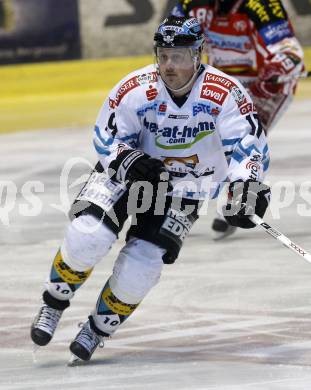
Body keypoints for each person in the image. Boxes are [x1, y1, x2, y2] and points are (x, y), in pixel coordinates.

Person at [30, 15, 271, 362]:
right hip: (128, 176)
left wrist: (245, 188)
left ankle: (97, 328)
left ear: (199, 54)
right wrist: (128, 160)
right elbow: (106, 137)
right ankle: (54, 301)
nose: (170, 66)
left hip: (186, 188)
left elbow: (247, 145)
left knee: (141, 267)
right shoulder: (136, 89)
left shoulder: (224, 93)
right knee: (87, 235)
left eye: (180, 56)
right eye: (164, 55)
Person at [171, 0, 304, 239]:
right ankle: (187, 197)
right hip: (223, 86)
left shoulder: (262, 4)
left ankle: (240, 199)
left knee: (245, 141)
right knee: (195, 137)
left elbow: (291, 53)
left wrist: (277, 68)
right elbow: (169, 41)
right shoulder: (191, 5)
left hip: (265, 90)